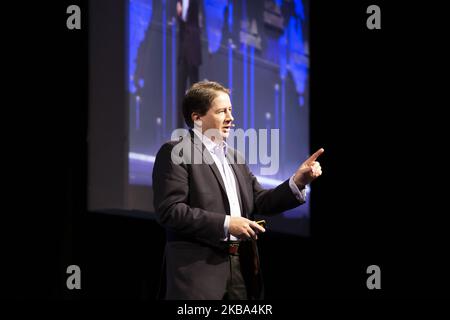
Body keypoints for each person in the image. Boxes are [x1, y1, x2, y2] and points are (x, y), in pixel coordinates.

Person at [153, 81, 323, 300]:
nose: (230, 118)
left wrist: (297, 182)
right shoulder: (176, 151)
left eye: (230, 110)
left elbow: (260, 200)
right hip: (198, 274)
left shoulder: (234, 157)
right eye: (222, 111)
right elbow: (170, 211)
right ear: (197, 118)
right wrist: (226, 223)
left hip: (241, 269)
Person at [176, 0, 202, 129]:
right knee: (180, 94)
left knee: (195, 95)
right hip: (183, 54)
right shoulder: (178, 3)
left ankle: (195, 130)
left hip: (193, 52)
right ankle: (178, 130)